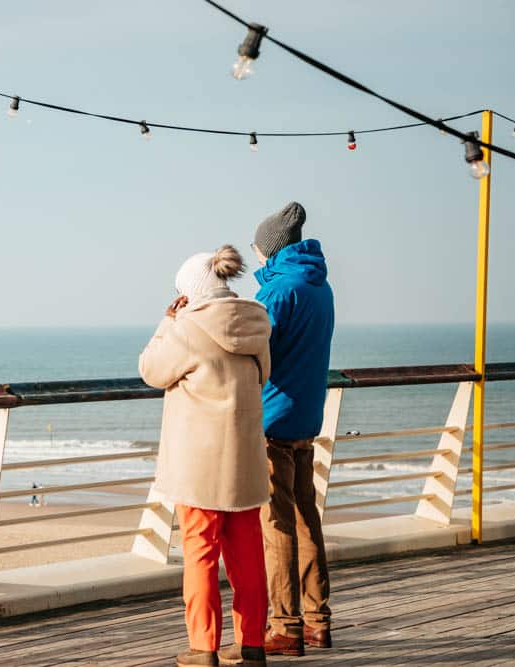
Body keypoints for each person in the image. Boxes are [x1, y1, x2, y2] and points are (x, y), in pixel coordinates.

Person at [139, 246, 272, 667]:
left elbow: (151, 370)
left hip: (199, 468)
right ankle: (252, 644)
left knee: (200, 554)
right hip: (245, 460)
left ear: (189, 291)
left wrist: (167, 321)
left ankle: (204, 647)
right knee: (248, 556)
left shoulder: (186, 328)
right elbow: (264, 375)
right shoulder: (255, 322)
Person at [250, 202, 335, 657]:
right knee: (307, 516)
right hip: (306, 418)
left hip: (273, 420)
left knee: (277, 522)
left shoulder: (279, 293)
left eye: (259, 249)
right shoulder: (321, 288)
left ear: (272, 249)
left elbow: (252, 351)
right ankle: (319, 620)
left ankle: (285, 625)